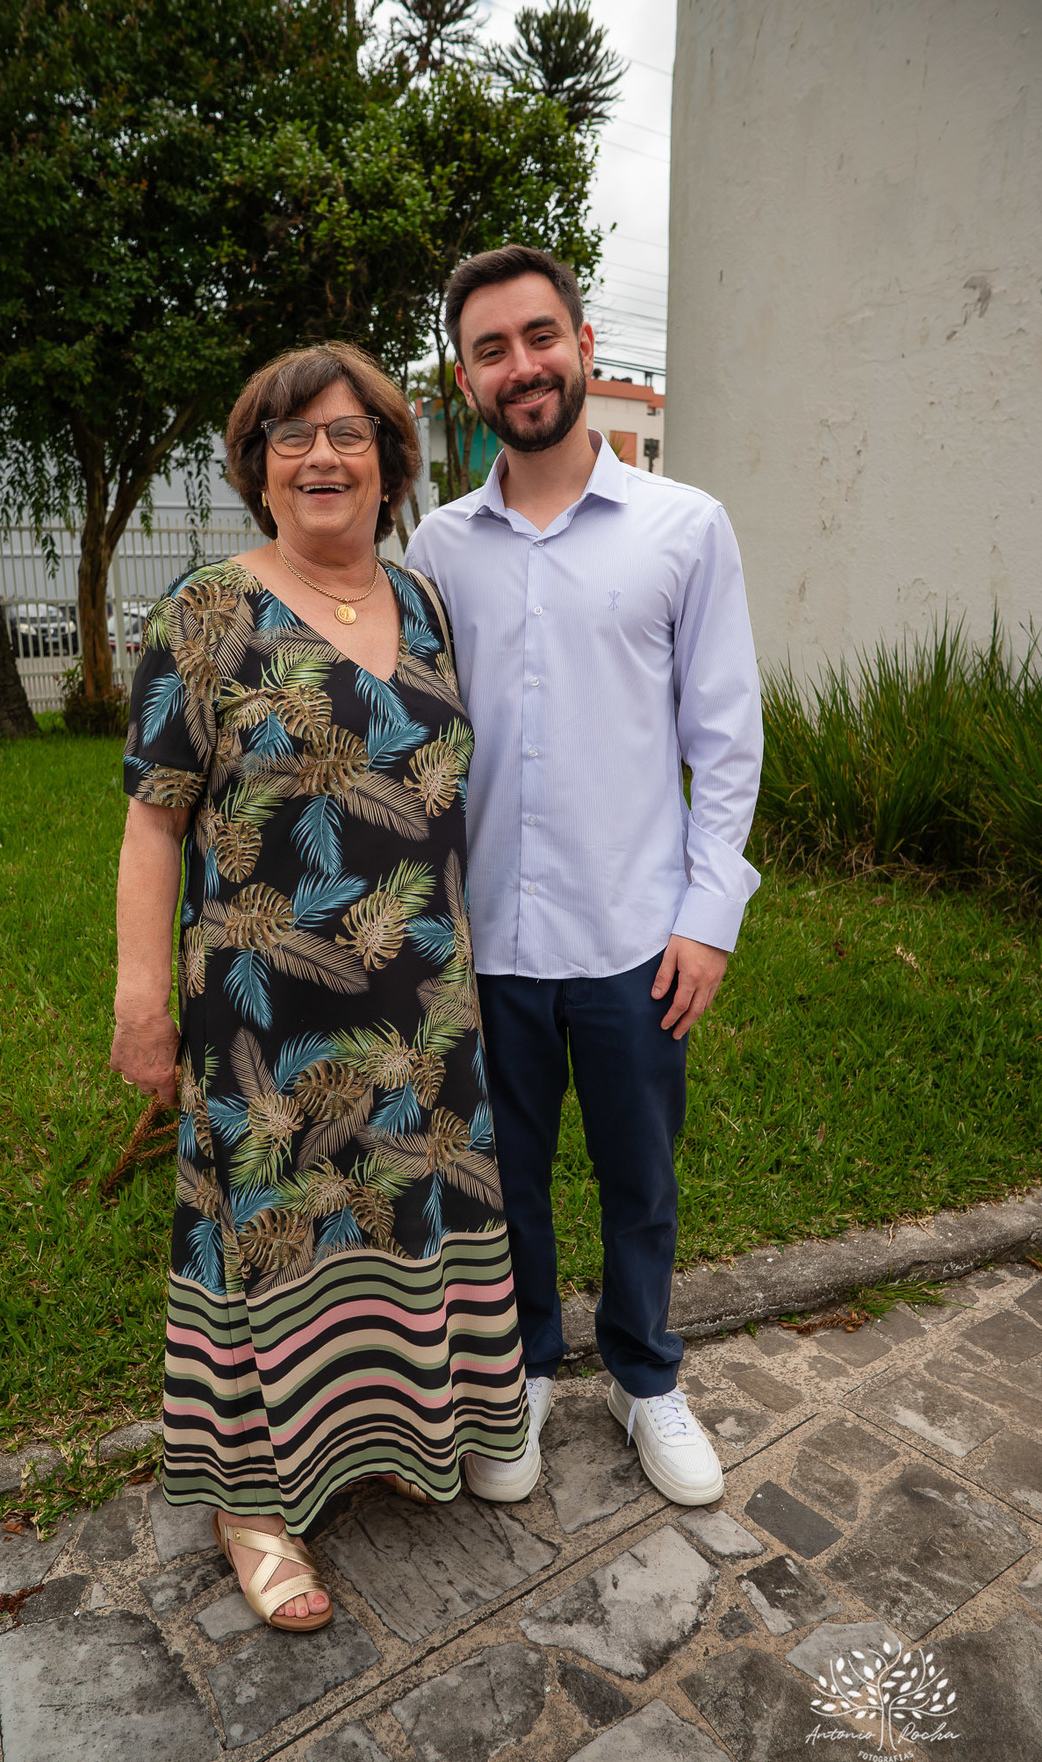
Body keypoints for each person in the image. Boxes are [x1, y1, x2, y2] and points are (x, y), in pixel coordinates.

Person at [111, 342, 528, 1633]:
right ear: (259, 465)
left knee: (404, 1223)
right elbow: (155, 821)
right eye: (292, 437)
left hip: (425, 1003)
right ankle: (252, 1504)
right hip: (268, 1015)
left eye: (348, 433)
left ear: (390, 460)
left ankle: (391, 1435)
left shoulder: (425, 599)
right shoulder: (211, 611)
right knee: (270, 1236)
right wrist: (141, 999)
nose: (323, 456)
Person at [406, 245, 763, 1507]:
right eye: (492, 349)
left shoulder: (684, 528)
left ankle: (646, 1374)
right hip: (488, 935)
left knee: (639, 1171)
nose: (523, 366)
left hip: (632, 933)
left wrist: (708, 917)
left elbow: (725, 741)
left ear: (585, 343)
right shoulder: (435, 551)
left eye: (539, 337)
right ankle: (528, 1369)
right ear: (466, 378)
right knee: (506, 1178)